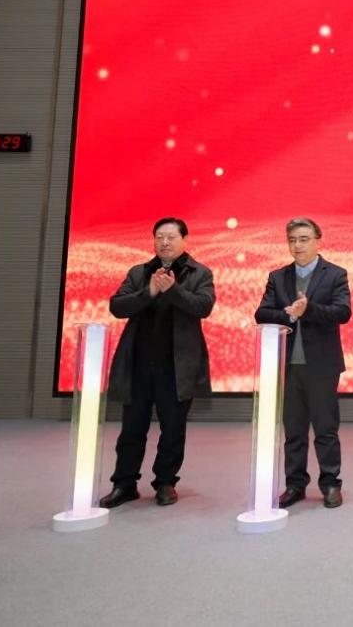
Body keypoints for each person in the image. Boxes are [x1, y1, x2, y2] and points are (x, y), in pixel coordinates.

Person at [100, 217, 214, 508]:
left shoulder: (200, 273)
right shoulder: (139, 272)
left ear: (184, 240)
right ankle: (124, 484)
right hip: (138, 365)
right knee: (132, 429)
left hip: (177, 367)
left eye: (171, 237)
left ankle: (165, 482)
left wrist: (172, 290)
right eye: (159, 237)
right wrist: (149, 292)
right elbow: (117, 306)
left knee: (173, 429)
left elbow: (203, 307)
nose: (164, 242)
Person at [255, 217, 351, 509]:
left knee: (325, 429)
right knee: (294, 431)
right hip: (287, 367)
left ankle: (330, 483)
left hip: (321, 366)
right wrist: (290, 315)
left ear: (318, 241)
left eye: (304, 239)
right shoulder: (278, 277)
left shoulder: (335, 274)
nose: (297, 245)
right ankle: (295, 485)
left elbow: (342, 312)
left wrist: (309, 310)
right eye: (293, 240)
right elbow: (262, 313)